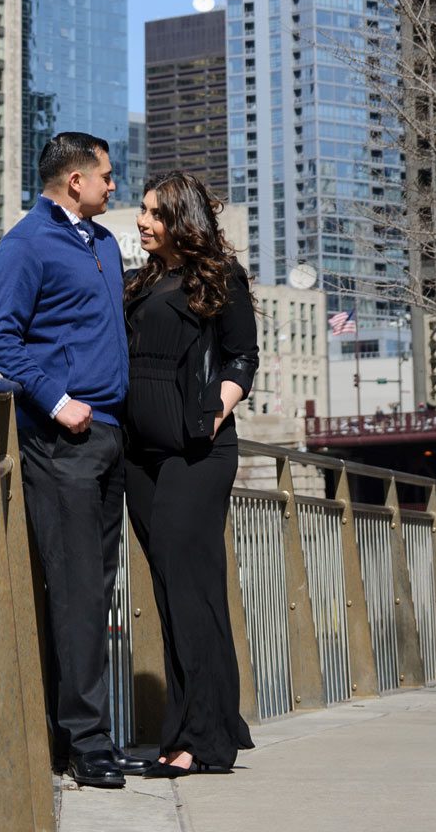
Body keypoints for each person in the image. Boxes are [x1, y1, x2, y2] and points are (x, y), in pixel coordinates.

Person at [0, 131, 156, 790]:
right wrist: (57, 402)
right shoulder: (25, 246)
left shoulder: (105, 245)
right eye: (106, 177)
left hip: (109, 436)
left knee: (96, 588)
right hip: (61, 440)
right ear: (74, 180)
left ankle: (76, 729)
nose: (114, 186)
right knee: (79, 588)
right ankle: (87, 743)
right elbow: (0, 339)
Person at [123, 171, 259, 778]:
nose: (141, 221)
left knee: (190, 589)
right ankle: (205, 723)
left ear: (180, 218)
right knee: (172, 591)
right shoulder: (139, 281)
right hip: (140, 455)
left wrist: (217, 406)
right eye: (143, 212)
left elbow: (241, 356)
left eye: (152, 213)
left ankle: (200, 739)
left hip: (197, 453)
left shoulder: (222, 277)